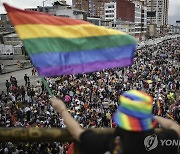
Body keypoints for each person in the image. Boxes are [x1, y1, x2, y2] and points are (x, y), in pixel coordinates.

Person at [51, 90, 180, 154]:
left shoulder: (108, 142)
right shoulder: (163, 142)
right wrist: (150, 117)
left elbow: (77, 132)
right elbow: (175, 126)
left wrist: (62, 110)